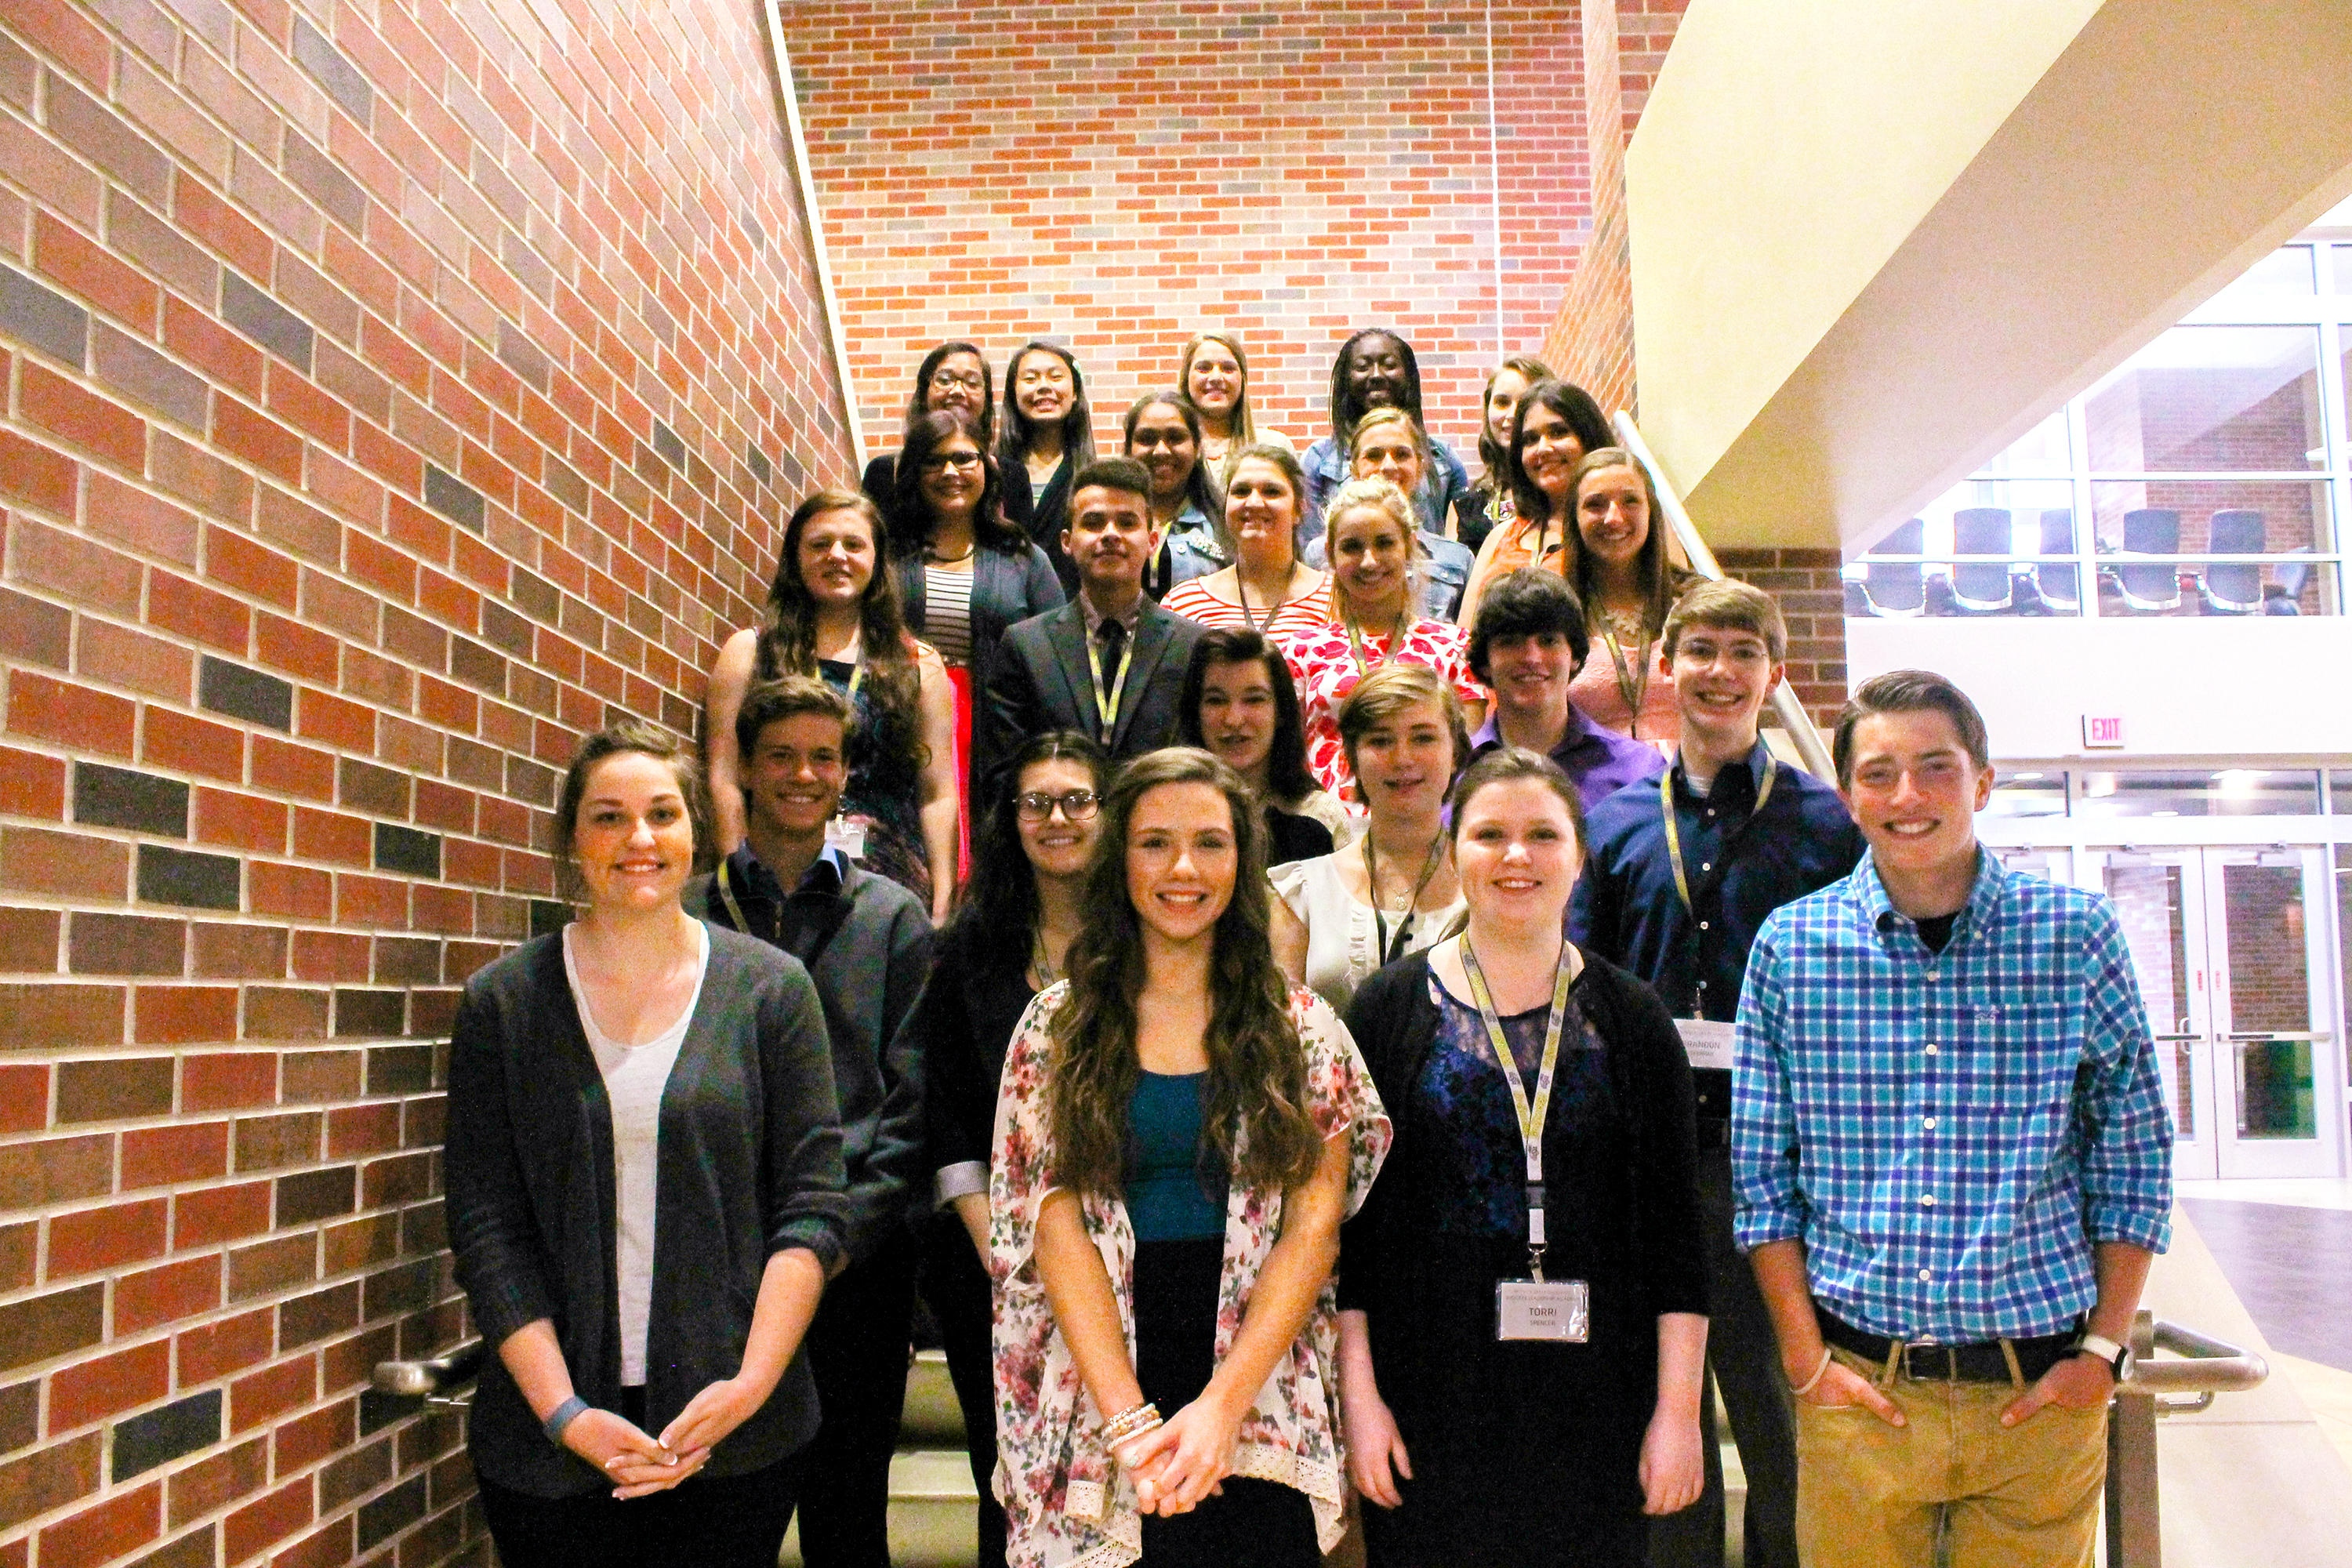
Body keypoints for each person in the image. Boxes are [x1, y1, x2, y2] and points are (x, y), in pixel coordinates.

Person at [1733, 670, 2173, 1568]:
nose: (1907, 796)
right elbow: (1762, 1180)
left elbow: (2133, 1159)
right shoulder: (1790, 947)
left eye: (1935, 767)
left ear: (1982, 780)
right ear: (1849, 795)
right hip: (1858, 1391)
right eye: (1879, 772)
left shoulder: (2077, 936)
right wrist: (1807, 1361)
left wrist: (2101, 1352)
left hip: (2039, 1398)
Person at [446, 723, 847, 1568]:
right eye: (608, 817)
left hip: (737, 1439)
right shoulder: (503, 1004)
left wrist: (749, 1386)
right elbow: (488, 1229)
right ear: (570, 839)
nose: (639, 839)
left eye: (662, 813)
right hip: (548, 1446)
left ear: (696, 831)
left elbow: (811, 1207)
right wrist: (564, 1412)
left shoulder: (772, 992)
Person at [988, 748, 1393, 1568]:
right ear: (1118, 859)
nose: (1183, 867)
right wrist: (1130, 1422)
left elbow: (1314, 1232)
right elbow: (1050, 1223)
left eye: (1211, 842)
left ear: (1243, 861)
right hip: (1096, 1370)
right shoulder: (1053, 1027)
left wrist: (1219, 1410)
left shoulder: (1303, 1027)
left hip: (1258, 1370)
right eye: (1154, 843)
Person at [1338, 746, 1710, 1567]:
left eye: (1543, 834)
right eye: (1490, 833)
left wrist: (1678, 1412)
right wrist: (1359, 1398)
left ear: (1579, 855)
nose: (1516, 856)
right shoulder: (1388, 1008)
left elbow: (1676, 1238)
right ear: (1452, 848)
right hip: (1428, 1386)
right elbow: (1353, 1236)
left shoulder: (1634, 1017)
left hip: (1599, 1391)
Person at [1568, 581, 1864, 1568]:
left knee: (1782, 1422)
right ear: (1666, 666)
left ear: (1774, 674)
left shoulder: (1829, 826)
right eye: (1700, 648)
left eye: (1744, 651)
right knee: (1666, 1419)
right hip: (1647, 1166)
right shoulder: (1611, 824)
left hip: (1779, 1173)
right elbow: (1584, 994)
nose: (1720, 670)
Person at [682, 677, 934, 1568]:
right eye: (781, 754)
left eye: (822, 757)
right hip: (717, 1265)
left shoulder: (893, 917)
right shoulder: (687, 915)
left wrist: (833, 1242)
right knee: (715, 1511)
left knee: (847, 1513)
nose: (802, 773)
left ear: (843, 776)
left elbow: (911, 1109)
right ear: (746, 767)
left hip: (853, 1270)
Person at [912, 731, 1111, 1568]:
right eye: (1037, 802)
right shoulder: (969, 946)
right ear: (1012, 818)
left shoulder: (1143, 940)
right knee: (1007, 1472)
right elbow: (947, 1105)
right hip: (988, 1261)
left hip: (1119, 1254)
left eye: (1076, 799)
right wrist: (998, 1239)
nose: (1056, 817)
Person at [706, 491, 959, 920]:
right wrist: (738, 875)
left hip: (890, 882)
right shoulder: (748, 652)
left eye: (854, 545)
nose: (837, 556)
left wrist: (944, 891)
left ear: (878, 561)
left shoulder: (919, 665)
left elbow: (937, 792)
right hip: (774, 874)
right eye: (820, 544)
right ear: (796, 557)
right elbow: (725, 776)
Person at [977, 457, 1207, 796]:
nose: (1111, 534)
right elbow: (1004, 775)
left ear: (1153, 541)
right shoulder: (1025, 647)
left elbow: (1200, 767)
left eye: (1127, 523)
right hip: (1056, 834)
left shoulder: (1193, 646)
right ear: (1067, 542)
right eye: (1094, 523)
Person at [885, 409, 1065, 825]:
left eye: (965, 458)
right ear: (915, 473)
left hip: (999, 730)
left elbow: (1058, 653)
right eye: (935, 461)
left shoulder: (1023, 557)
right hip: (906, 726)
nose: (951, 471)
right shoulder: (889, 555)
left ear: (987, 467)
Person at [1269, 665, 1467, 1016]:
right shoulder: (1301, 892)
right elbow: (1284, 1031)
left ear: (1455, 753)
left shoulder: (1485, 881)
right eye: (1380, 740)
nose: (1403, 758)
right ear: (1352, 758)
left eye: (1423, 738)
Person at [1280, 477, 1486, 804]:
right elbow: (1284, 759)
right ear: (1331, 557)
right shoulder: (1300, 651)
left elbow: (1467, 762)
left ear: (1409, 546)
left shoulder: (1455, 647)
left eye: (1384, 543)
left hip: (1428, 821)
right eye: (1351, 547)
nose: (1369, 560)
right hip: (1326, 826)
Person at [1466, 568, 1664, 809]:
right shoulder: (1454, 772)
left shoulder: (1638, 772)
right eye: (1511, 642)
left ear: (1575, 656)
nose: (1532, 658)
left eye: (1548, 641)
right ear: (1485, 662)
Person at [1178, 625, 1347, 862]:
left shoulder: (1319, 817)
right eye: (1216, 701)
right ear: (1195, 712)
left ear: (1281, 711)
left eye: (1254, 700)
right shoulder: (1168, 810)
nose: (1234, 719)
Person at [1563, 447, 1694, 744]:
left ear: (1651, 511)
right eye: (1595, 504)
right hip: (1592, 786)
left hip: (1689, 783)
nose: (1614, 517)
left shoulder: (1693, 603)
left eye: (1630, 501)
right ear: (1575, 519)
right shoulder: (1555, 613)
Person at [1459, 377, 1615, 624]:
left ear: (1590, 437)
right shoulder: (1501, 536)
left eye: (1558, 432)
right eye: (1530, 439)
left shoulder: (1626, 523)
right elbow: (1465, 640)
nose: (1542, 448)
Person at [1302, 408, 1474, 622]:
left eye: (1401, 454)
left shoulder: (1458, 558)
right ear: (1354, 468)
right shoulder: (1318, 554)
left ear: (1420, 466)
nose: (1388, 466)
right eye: (1373, 456)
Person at [1300, 328, 1469, 535]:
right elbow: (1310, 545)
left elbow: (1460, 542)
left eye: (1389, 365)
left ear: (1408, 375)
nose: (1377, 375)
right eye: (1362, 367)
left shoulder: (1443, 458)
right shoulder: (1319, 460)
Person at [1159, 443, 1334, 638]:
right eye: (1241, 491)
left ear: (1299, 509)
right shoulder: (1183, 603)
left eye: (1272, 491)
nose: (1253, 502)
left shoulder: (1336, 599)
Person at [999, 340, 1098, 593]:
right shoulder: (992, 471)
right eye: (1030, 379)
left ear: (1075, 392)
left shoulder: (1092, 477)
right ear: (1014, 393)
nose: (1044, 387)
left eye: (1056, 377)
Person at [862, 340, 996, 509]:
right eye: (945, 380)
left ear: (986, 398)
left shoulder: (1013, 475)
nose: (958, 391)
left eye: (972, 383)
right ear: (925, 391)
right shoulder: (883, 471)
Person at [1122, 390, 1227, 597]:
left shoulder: (1226, 526)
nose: (1161, 451)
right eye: (1147, 439)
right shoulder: (1106, 525)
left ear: (1197, 448)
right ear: (1128, 449)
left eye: (1175, 438)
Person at [1451, 354, 1552, 556]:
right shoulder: (1465, 504)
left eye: (1525, 402)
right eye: (1502, 402)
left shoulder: (1562, 490)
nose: (1512, 413)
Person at [1179, 329, 1296, 485]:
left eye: (1228, 368)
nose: (1216, 377)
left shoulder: (1275, 446)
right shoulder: (1171, 451)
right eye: (1204, 368)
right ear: (1186, 378)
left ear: (1242, 379)